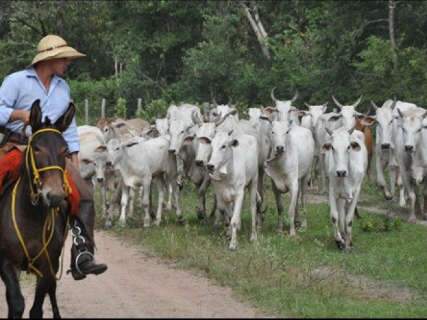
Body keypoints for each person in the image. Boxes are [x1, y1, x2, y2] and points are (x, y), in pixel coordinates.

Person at [0, 34, 107, 280]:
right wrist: (18, 114)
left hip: (54, 153)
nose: (68, 62)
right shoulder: (16, 81)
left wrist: (74, 155)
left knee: (84, 194)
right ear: (50, 58)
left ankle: (82, 253)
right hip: (19, 147)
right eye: (65, 58)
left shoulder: (63, 87)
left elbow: (69, 127)